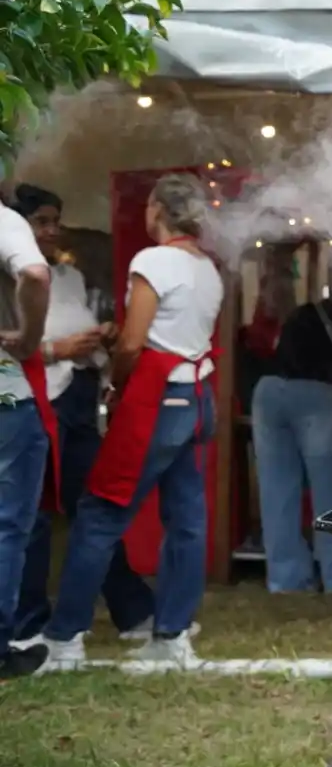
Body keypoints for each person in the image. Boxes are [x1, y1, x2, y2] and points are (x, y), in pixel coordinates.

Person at [40, 173, 223, 669]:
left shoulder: (154, 260)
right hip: (197, 395)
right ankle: (172, 636)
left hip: (158, 398)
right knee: (186, 519)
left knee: (99, 514)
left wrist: (117, 379)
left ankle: (64, 638)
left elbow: (133, 344)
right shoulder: (206, 266)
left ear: (157, 210)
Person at [10, 185, 157, 649]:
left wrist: (101, 338)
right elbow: (12, 346)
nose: (52, 230)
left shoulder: (68, 278)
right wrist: (56, 350)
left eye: (56, 221)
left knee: (93, 508)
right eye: (42, 222)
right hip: (35, 399)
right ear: (19, 225)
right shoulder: (9, 278)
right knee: (31, 516)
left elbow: (75, 334)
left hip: (76, 397)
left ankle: (131, 611)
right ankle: (27, 622)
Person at [253, 292, 332, 594]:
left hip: (268, 392)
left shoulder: (301, 315)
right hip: (320, 397)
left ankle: (285, 581)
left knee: (276, 491)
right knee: (331, 496)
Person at [0, 198, 53, 679]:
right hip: (3, 394)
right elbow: (35, 275)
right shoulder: (4, 220)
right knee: (6, 526)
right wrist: (31, 336)